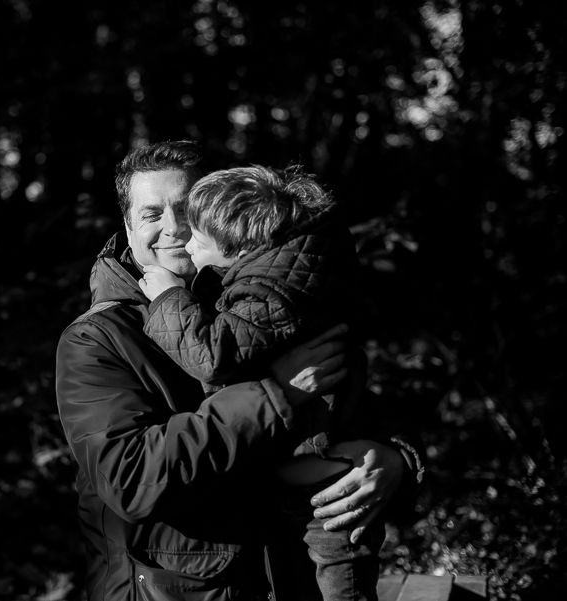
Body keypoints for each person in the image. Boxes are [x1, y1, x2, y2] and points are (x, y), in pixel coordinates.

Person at [55, 140, 425, 601]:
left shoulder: (254, 298)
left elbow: (344, 388)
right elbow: (132, 479)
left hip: (288, 578)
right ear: (127, 227)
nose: (172, 228)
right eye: (152, 214)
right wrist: (277, 396)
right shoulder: (97, 338)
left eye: (186, 209)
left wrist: (394, 458)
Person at [138, 163, 386, 601]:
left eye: (198, 236)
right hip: (303, 480)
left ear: (238, 248)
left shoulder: (266, 294)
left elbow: (213, 355)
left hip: (321, 488)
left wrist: (167, 298)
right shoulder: (288, 274)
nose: (183, 239)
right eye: (152, 214)